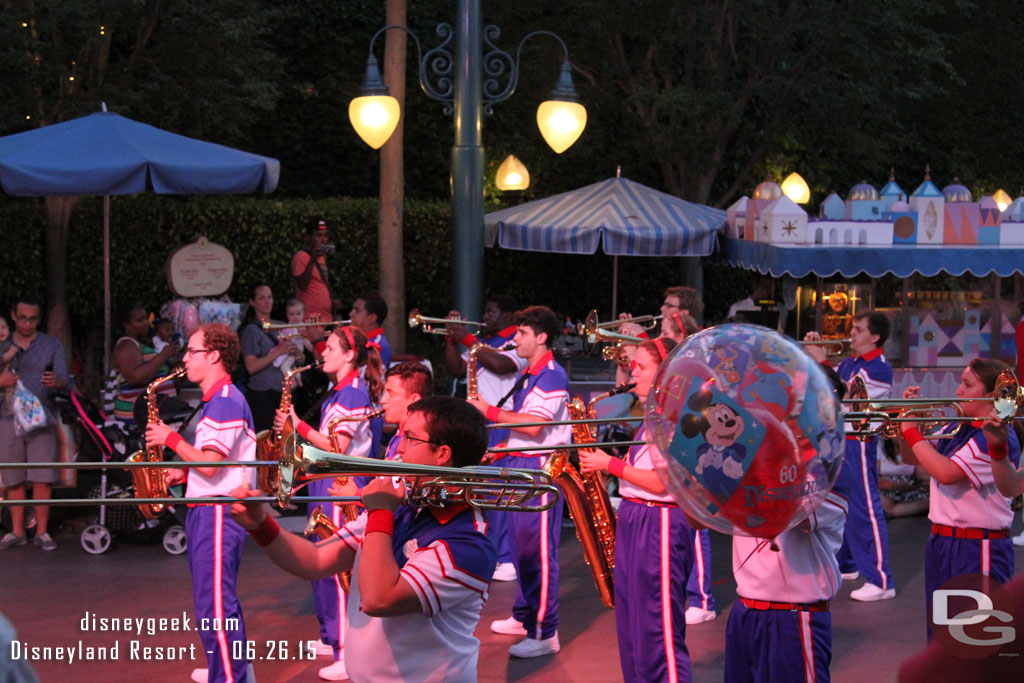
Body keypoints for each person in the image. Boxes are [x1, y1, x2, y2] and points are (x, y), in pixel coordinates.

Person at [229, 396, 497, 683]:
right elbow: (315, 561)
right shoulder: (404, 506)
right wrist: (260, 525)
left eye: (409, 438)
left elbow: (379, 600)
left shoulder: (468, 544)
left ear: (442, 454)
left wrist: (381, 512)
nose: (399, 449)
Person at [722, 364, 850, 683]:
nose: (787, 399)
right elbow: (697, 519)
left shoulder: (830, 465)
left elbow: (784, 517)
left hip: (794, 615)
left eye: (799, 395)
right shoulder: (755, 450)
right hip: (745, 610)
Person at [579, 336, 697, 682]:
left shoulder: (681, 415)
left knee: (657, 628)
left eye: (642, 367)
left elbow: (663, 483)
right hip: (638, 517)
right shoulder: (653, 415)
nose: (634, 374)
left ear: (668, 373)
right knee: (632, 625)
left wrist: (608, 464)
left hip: (660, 521)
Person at [144, 323, 256, 683]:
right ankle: (227, 669)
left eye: (192, 352)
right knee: (214, 605)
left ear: (213, 356)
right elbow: (209, 462)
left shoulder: (224, 401)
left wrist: (170, 438)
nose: (185, 359)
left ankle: (229, 676)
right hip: (210, 512)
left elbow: (210, 465)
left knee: (215, 607)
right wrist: (182, 473)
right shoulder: (218, 400)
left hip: (219, 513)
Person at [274, 324, 384, 681]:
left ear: (350, 355)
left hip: (342, 488)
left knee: (338, 569)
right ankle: (330, 635)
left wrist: (297, 427)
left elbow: (338, 445)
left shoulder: (352, 392)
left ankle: (344, 648)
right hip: (326, 485)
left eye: (331, 348)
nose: (322, 353)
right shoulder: (338, 391)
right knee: (323, 565)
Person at [468, 305, 570, 658]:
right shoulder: (531, 374)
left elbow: (535, 426)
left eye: (523, 333)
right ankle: (525, 615)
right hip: (523, 467)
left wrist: (489, 412)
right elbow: (526, 432)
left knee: (539, 555)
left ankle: (545, 633)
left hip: (539, 474)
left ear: (541, 338)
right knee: (525, 550)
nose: (515, 338)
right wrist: (500, 452)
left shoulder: (552, 376)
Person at [898, 358, 1020, 638]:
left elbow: (946, 472)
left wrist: (911, 430)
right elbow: (913, 459)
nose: (959, 390)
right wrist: (908, 425)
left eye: (967, 384)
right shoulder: (959, 427)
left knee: (977, 641)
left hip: (978, 546)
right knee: (944, 639)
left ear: (992, 395)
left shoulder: (992, 437)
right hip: (943, 542)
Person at [806, 310, 896, 601]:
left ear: (875, 336)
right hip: (839, 437)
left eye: (858, 330)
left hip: (859, 439)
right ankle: (847, 564)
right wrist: (815, 359)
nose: (851, 334)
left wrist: (820, 359)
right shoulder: (848, 363)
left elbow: (850, 396)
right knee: (838, 504)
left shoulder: (879, 368)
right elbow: (824, 390)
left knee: (865, 508)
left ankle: (881, 580)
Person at [444, 294, 526, 581]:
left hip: (501, 421)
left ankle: (507, 557)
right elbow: (455, 369)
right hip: (479, 420)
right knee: (481, 489)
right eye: (486, 311)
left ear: (508, 316)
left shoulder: (516, 340)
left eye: (492, 312)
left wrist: (466, 339)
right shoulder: (484, 343)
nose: (487, 316)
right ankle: (492, 550)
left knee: (498, 489)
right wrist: (451, 341)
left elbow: (503, 365)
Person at [0, 296, 71, 552]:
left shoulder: (50, 344)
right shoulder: (2, 342)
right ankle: (17, 531)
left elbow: (65, 379)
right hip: (6, 417)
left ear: (38, 320)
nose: (27, 323)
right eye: (22, 318)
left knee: (43, 475)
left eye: (32, 319)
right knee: (13, 476)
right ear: (13, 316)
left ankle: (42, 531)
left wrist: (57, 382)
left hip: (41, 416)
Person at [238, 284, 300, 432]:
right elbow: (251, 367)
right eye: (262, 298)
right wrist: (279, 352)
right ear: (252, 302)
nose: (267, 301)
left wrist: (296, 351)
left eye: (269, 297)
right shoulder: (251, 331)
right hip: (264, 395)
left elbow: (300, 361)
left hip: (287, 393)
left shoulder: (282, 325)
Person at [110, 302, 181, 427]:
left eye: (145, 318)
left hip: (152, 418)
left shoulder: (143, 344)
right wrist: (163, 356)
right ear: (126, 324)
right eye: (139, 320)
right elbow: (135, 377)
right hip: (138, 422)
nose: (145, 323)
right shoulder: (126, 345)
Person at [381, 362, 434, 460]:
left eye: (391, 393)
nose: (383, 400)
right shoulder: (400, 433)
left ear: (414, 400)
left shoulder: (417, 443)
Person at [293, 218, 341, 321]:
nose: (323, 240)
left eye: (325, 235)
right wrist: (312, 260)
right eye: (319, 235)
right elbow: (302, 285)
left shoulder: (322, 258)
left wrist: (331, 302)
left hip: (326, 318)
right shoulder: (301, 256)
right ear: (308, 237)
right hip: (311, 320)